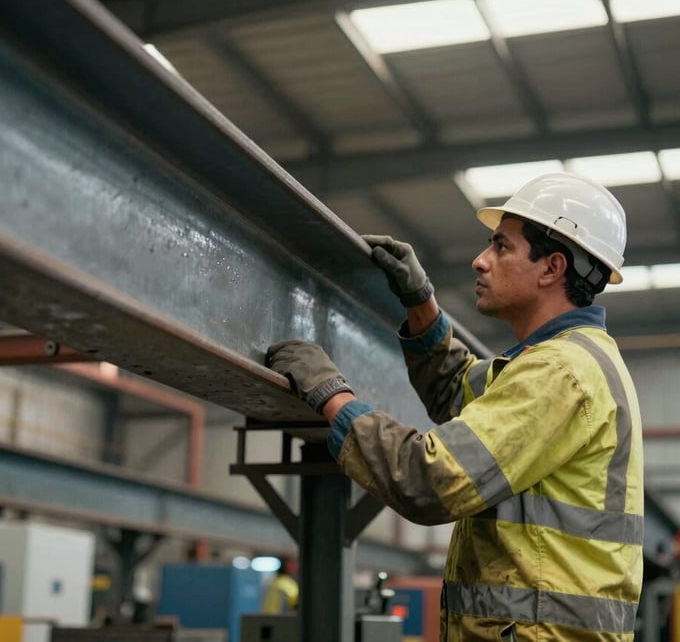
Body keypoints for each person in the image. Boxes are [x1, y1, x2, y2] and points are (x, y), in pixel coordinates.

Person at [267, 172, 644, 641]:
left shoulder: (560, 373)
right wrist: (420, 303)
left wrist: (330, 394)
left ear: (551, 268)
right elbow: (454, 390)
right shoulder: (559, 362)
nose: (480, 261)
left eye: (501, 247)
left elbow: (430, 481)